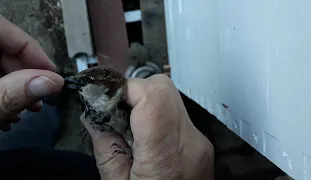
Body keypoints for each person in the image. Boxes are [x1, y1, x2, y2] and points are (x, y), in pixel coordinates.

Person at [0, 15, 214, 179]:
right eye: (78, 83)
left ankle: (49, 105)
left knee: (37, 122)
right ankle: (50, 105)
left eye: (84, 84)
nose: (77, 84)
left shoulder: (123, 106)